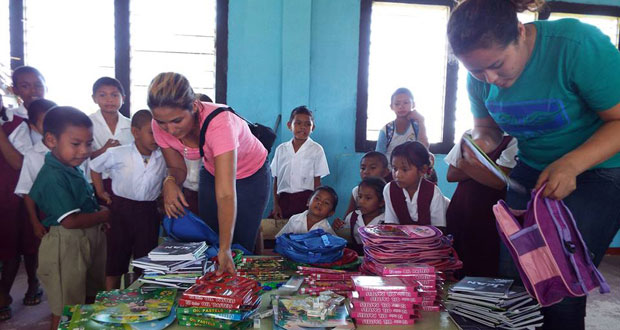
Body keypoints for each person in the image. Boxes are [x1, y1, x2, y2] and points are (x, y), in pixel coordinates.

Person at [447, 0, 620, 328]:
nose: (490, 78)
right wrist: (479, 142)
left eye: (497, 64)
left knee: (560, 277)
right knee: (519, 277)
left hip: (602, 167)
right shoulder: (481, 76)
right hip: (535, 168)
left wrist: (571, 164)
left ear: (520, 32)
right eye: (477, 71)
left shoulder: (576, 46)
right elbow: (487, 127)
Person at [148, 72, 271, 274]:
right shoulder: (159, 124)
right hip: (213, 170)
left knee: (237, 244)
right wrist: (169, 182)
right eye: (162, 122)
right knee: (209, 236)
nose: (169, 129)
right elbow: (178, 168)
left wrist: (225, 249)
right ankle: (210, 294)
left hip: (252, 175)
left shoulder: (220, 124)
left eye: (177, 120)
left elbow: (225, 193)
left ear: (194, 106)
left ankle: (239, 296)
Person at [28, 106, 109, 330]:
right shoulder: (53, 175)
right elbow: (70, 221)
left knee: (89, 298)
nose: (84, 150)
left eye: (89, 143)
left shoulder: (70, 167)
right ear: (51, 140)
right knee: (66, 308)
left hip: (86, 238)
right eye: (76, 144)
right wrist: (104, 214)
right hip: (66, 244)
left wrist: (98, 213)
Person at [90, 110, 166, 290]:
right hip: (121, 211)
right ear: (135, 132)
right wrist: (100, 191)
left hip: (148, 212)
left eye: (159, 132)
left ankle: (140, 302)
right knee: (116, 259)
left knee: (145, 260)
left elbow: (167, 178)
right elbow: (94, 167)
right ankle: (111, 301)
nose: (156, 137)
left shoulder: (162, 156)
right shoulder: (119, 153)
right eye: (151, 132)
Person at [445, 130, 517, 277]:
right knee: (456, 265)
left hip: (489, 215)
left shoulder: (511, 139)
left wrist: (465, 166)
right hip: (461, 209)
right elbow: (451, 175)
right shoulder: (468, 135)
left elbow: (498, 181)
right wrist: (483, 171)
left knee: (484, 267)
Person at [0, 95, 43, 321]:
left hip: (14, 195)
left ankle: (20, 288)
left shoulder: (15, 124)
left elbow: (18, 163)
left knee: (20, 245)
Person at [270, 106, 330, 219]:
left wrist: (315, 206)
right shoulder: (281, 149)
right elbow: (275, 179)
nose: (303, 127)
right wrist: (276, 204)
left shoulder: (316, 149)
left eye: (308, 124)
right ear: (289, 125)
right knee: (272, 232)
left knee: (302, 233)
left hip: (306, 200)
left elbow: (317, 182)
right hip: (283, 200)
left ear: (313, 128)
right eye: (298, 123)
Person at [15, 99, 59, 242]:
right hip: (46, 214)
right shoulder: (32, 155)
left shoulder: (76, 149)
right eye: (45, 122)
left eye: (56, 120)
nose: (53, 126)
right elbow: (27, 192)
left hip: (76, 213)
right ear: (34, 127)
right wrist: (35, 222)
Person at [383, 141, 449, 228]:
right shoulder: (389, 189)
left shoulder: (433, 192)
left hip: (429, 240)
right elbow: (391, 224)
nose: (397, 174)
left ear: (423, 169)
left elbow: (439, 228)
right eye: (394, 168)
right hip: (400, 240)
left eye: (405, 169)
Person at [336, 177, 393, 255]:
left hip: (378, 258)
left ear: (381, 202)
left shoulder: (386, 221)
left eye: (368, 198)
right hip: (356, 257)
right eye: (360, 196)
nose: (361, 201)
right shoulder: (353, 217)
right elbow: (343, 235)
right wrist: (337, 226)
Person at [375, 87, 429, 161]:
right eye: (397, 104)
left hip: (411, 171)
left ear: (413, 104)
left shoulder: (417, 127)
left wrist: (421, 121)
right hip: (390, 171)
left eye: (406, 102)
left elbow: (424, 150)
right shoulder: (386, 130)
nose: (401, 106)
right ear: (391, 107)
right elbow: (378, 157)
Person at [7, 66, 48, 159]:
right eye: (25, 86)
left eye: (38, 85)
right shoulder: (11, 119)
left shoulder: (60, 116)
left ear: (46, 87)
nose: (34, 90)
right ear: (15, 90)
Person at [340, 151, 390, 219]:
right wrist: (339, 224)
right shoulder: (357, 190)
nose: (366, 172)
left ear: (385, 172)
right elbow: (347, 219)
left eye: (372, 168)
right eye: (363, 168)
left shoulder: (390, 192)